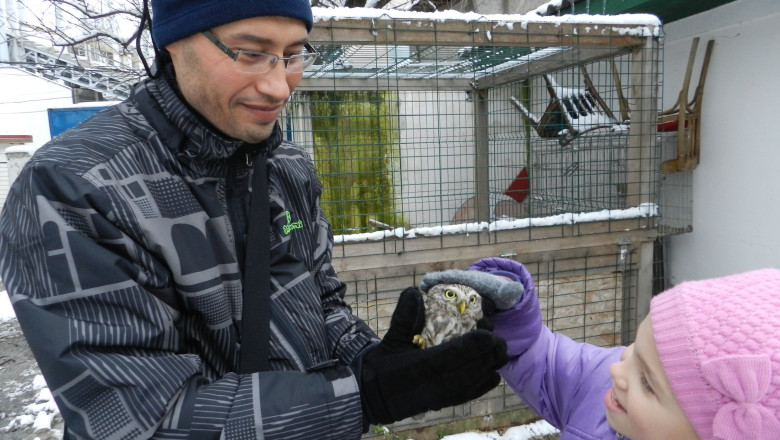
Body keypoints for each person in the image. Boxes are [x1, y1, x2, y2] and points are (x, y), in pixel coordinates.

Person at [0, 1, 509, 438]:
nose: (279, 86)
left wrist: (378, 360)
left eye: (293, 55)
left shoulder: (286, 166)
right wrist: (363, 397)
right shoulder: (72, 189)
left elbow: (320, 303)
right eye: (250, 52)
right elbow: (136, 420)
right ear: (173, 42)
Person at [426, 258, 780, 439]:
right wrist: (510, 315)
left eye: (647, 382)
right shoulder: (609, 390)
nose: (617, 369)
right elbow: (549, 363)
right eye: (633, 350)